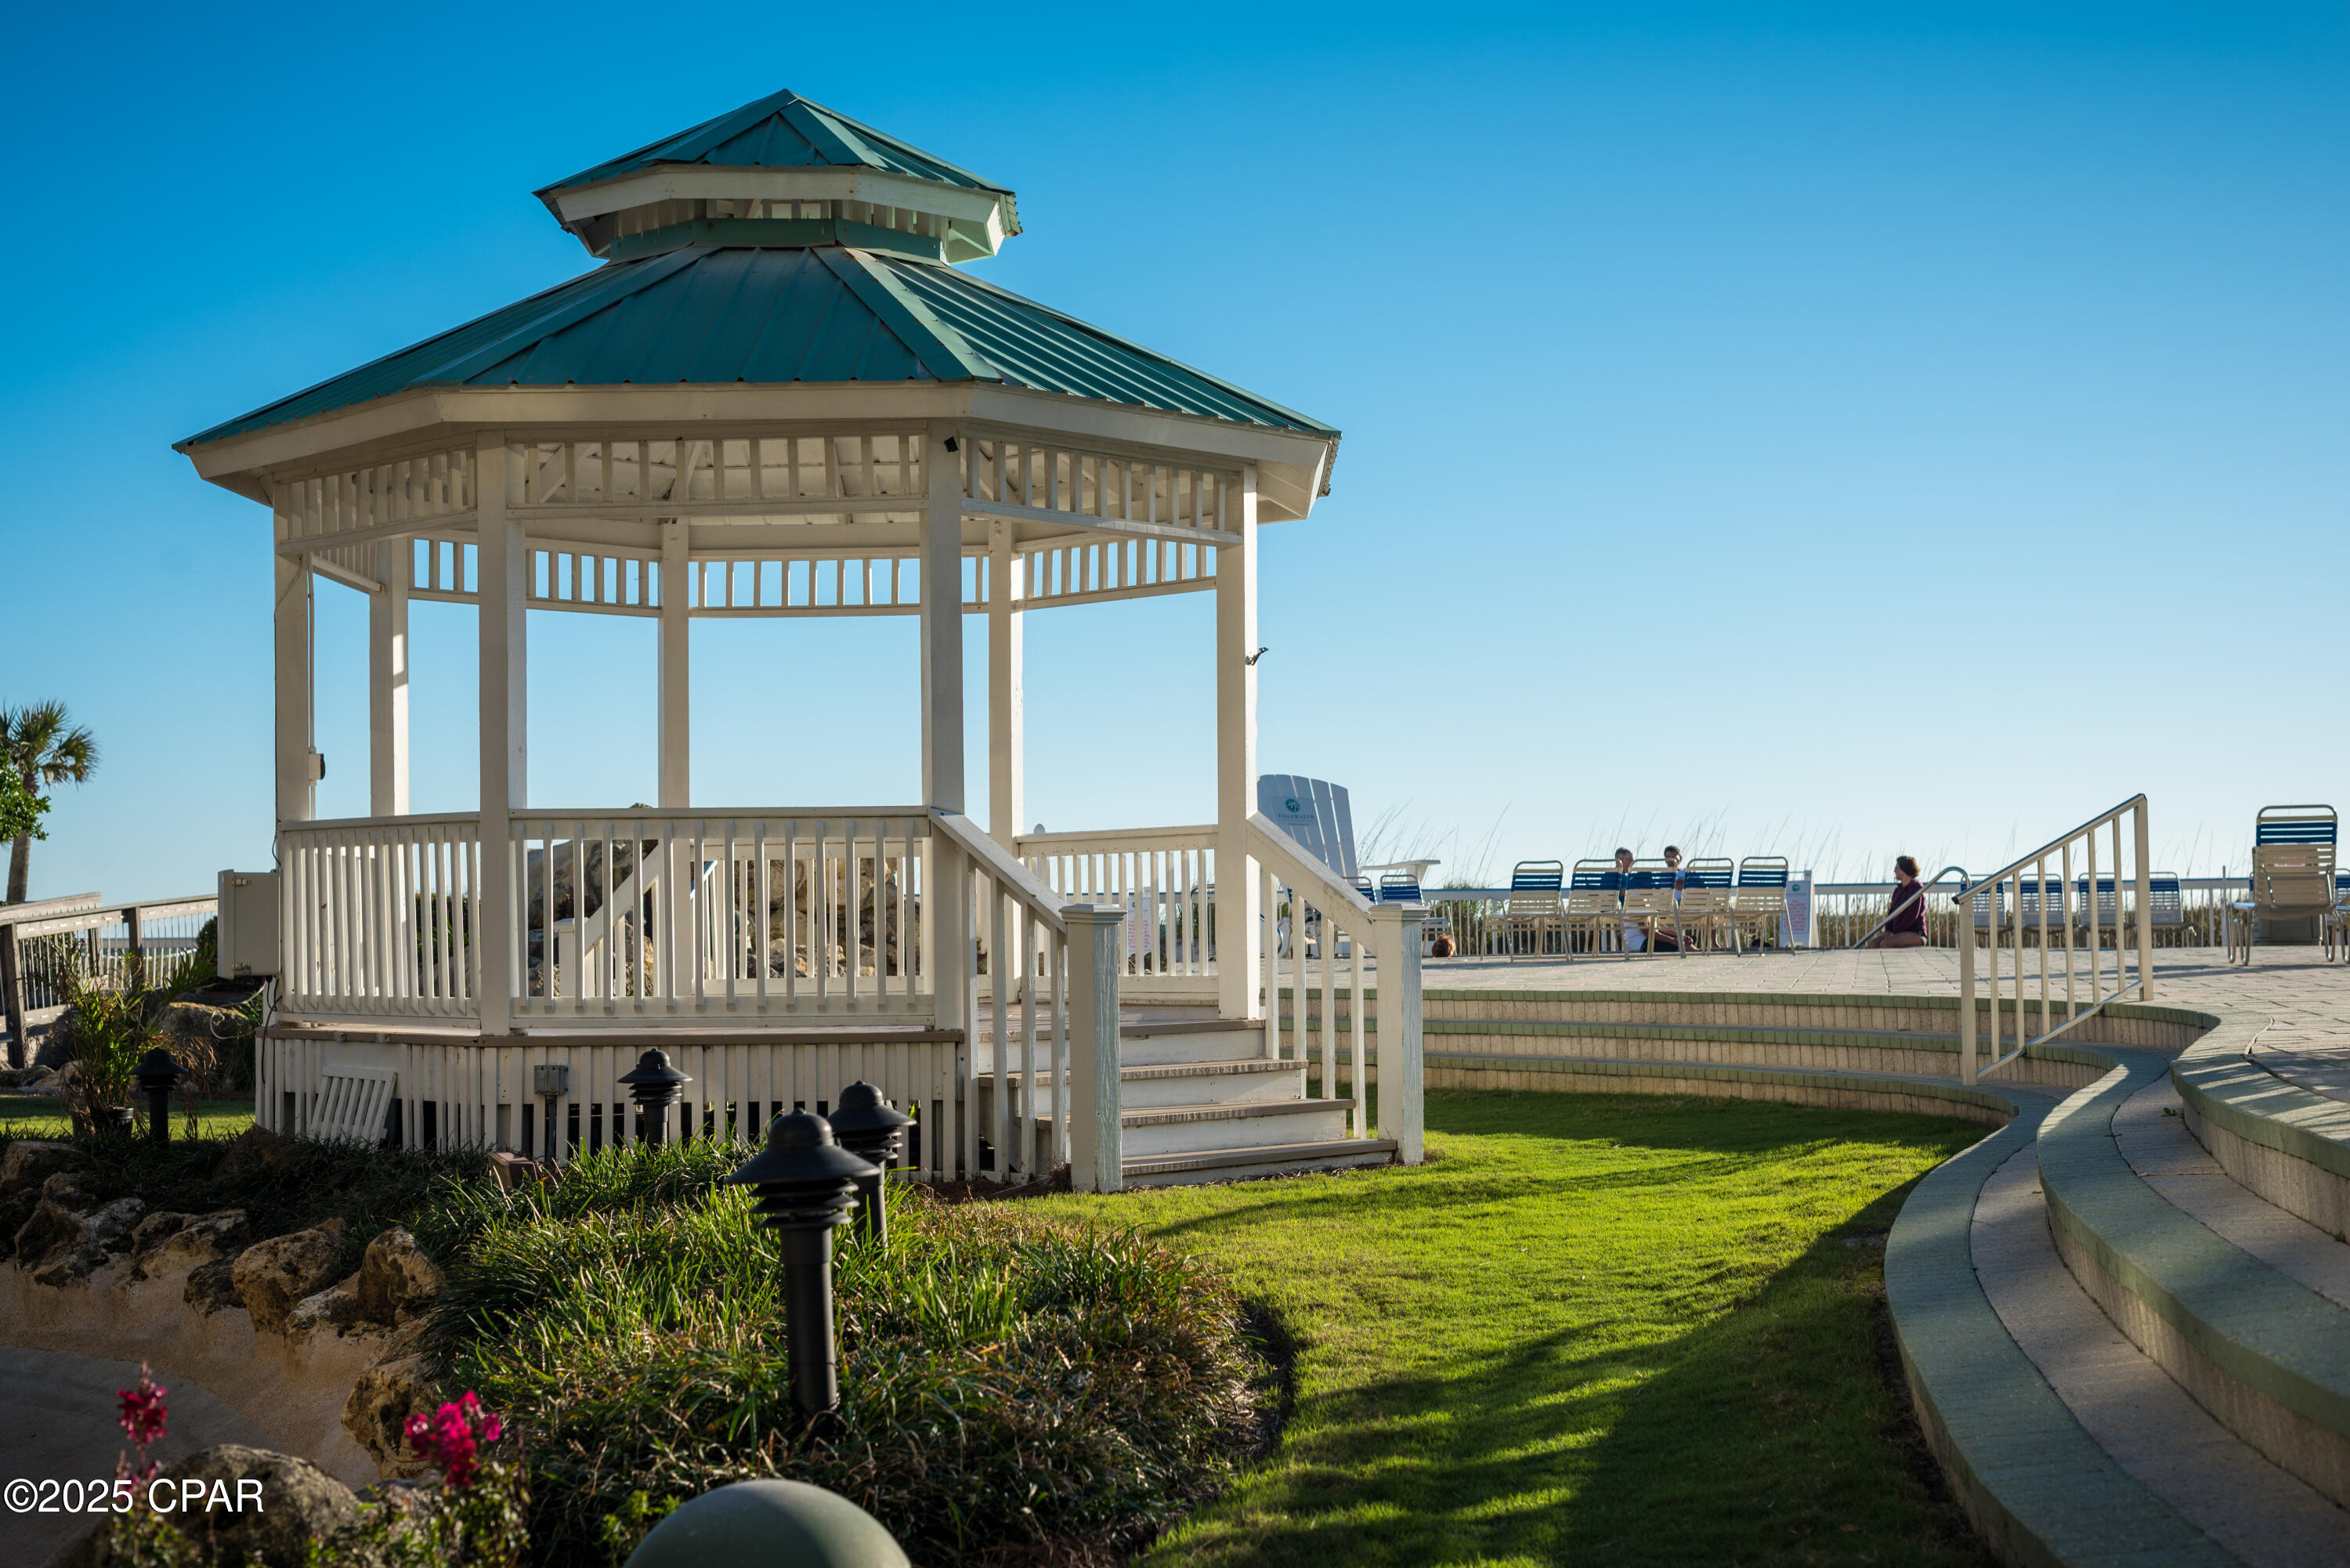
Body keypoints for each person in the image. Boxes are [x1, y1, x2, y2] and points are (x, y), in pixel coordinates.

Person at [1868, 855, 1929, 948]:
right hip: (1898, 932)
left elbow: (1912, 915)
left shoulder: (1916, 888)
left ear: (1904, 870)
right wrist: (1888, 930)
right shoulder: (1898, 890)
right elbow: (1892, 912)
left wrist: (1895, 932)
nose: (1894, 871)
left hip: (1916, 933)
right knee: (1873, 944)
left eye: (1896, 868)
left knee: (1886, 944)